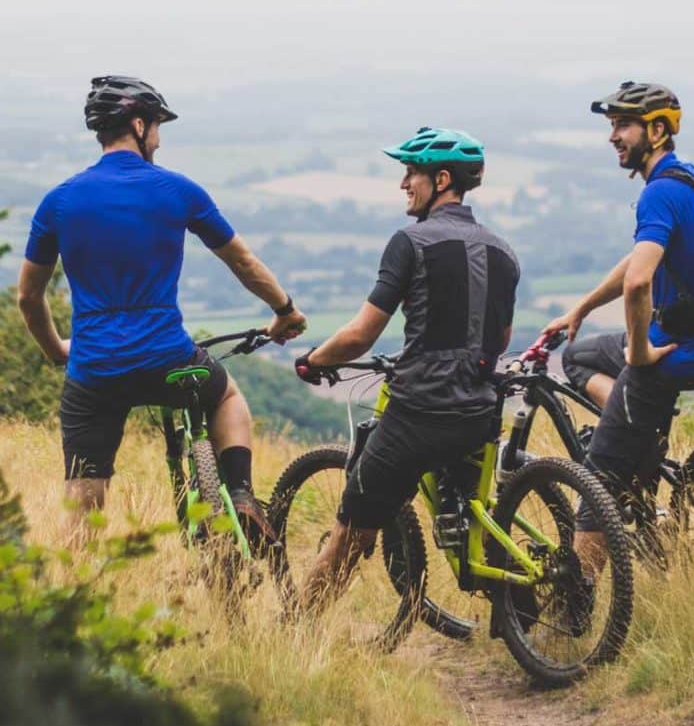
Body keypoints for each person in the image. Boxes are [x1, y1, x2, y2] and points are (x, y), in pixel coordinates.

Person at [17, 75, 306, 539]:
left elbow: (28, 297)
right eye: (156, 126)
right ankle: (242, 495)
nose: (158, 137)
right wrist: (285, 310)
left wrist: (56, 350)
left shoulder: (59, 202)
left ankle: (79, 587)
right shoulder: (178, 190)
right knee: (227, 396)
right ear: (137, 125)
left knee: (83, 502)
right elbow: (242, 261)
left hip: (95, 371)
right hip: (167, 359)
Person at [294, 127, 520, 608]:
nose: (403, 183)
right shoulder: (504, 252)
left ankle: (294, 629)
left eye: (411, 173)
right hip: (479, 411)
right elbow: (498, 340)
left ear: (441, 179)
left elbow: (361, 335)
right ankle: (516, 602)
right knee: (474, 511)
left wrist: (314, 360)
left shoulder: (410, 242)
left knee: (350, 529)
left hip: (418, 414)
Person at [543, 81, 694, 571]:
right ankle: (639, 441)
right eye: (611, 126)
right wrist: (581, 309)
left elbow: (639, 283)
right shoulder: (686, 179)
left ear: (658, 129)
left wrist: (641, 353)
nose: (613, 137)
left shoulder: (660, 194)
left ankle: (576, 603)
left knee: (597, 479)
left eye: (623, 126)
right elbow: (637, 262)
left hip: (672, 353)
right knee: (578, 356)